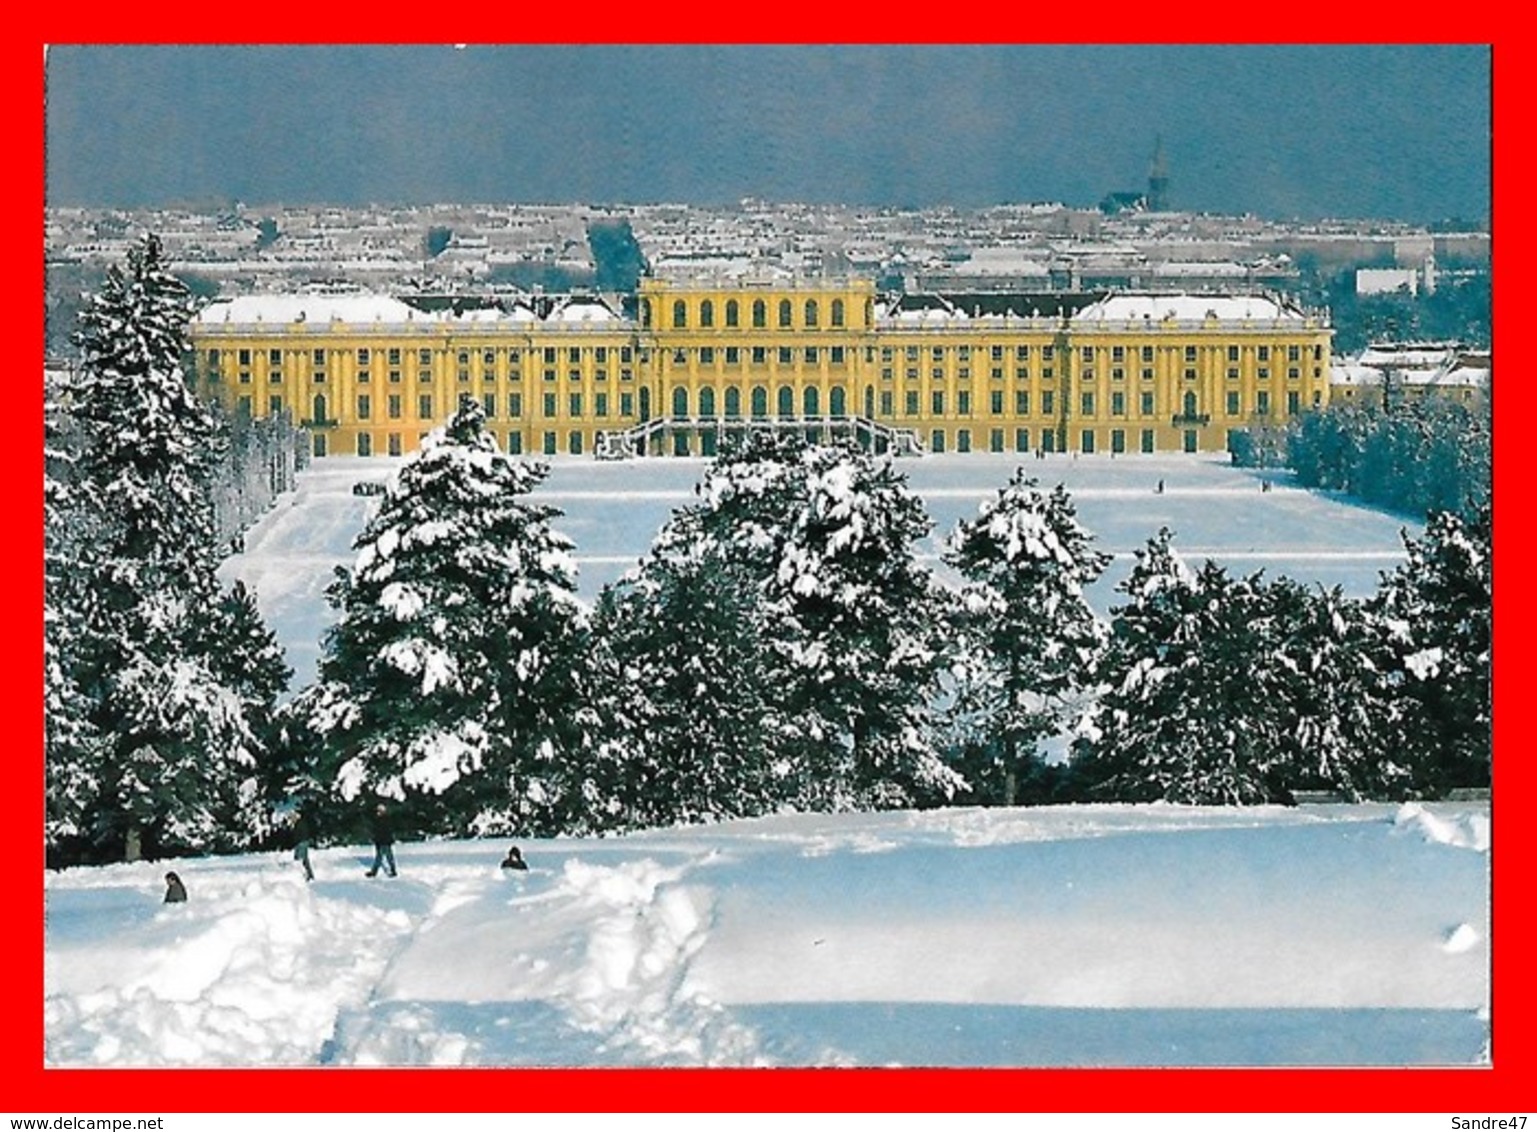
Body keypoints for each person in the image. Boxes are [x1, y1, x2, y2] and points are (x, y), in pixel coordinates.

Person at [365, 803, 397, 878]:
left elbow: (385, 832)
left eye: (379, 811)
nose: (378, 812)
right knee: (380, 857)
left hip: (384, 841)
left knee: (387, 856)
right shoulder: (378, 819)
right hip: (381, 841)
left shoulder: (384, 820)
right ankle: (375, 872)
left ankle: (392, 870)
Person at [293, 809, 316, 882]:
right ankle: (309, 875)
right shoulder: (300, 823)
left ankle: (306, 875)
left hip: (301, 842)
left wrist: (298, 841)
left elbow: (299, 834)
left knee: (300, 859)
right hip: (302, 842)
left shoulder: (300, 823)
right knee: (304, 859)